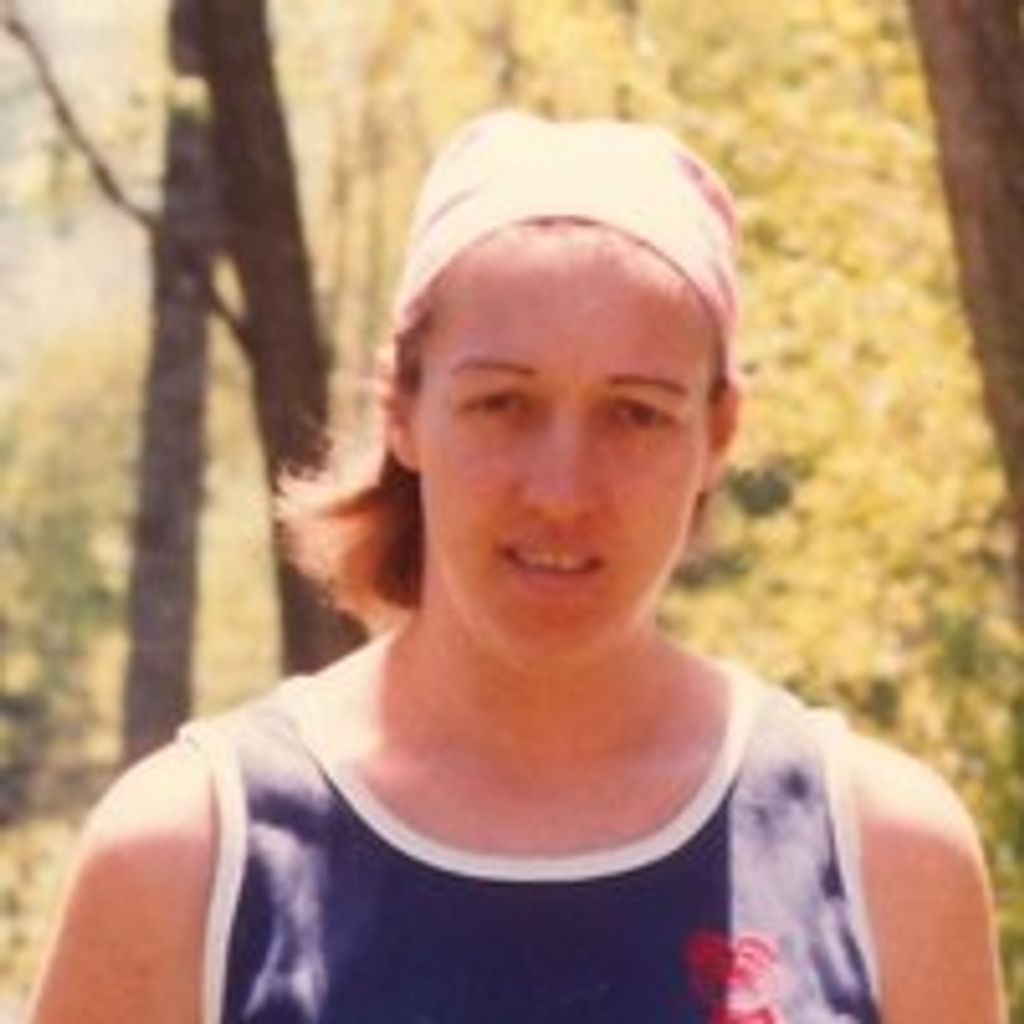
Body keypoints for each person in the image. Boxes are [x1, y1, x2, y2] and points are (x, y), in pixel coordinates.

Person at [27, 110, 1005, 1024]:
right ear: (401, 407)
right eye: (502, 404)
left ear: (718, 432)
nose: (563, 491)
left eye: (635, 414)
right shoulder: (187, 861)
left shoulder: (883, 856)